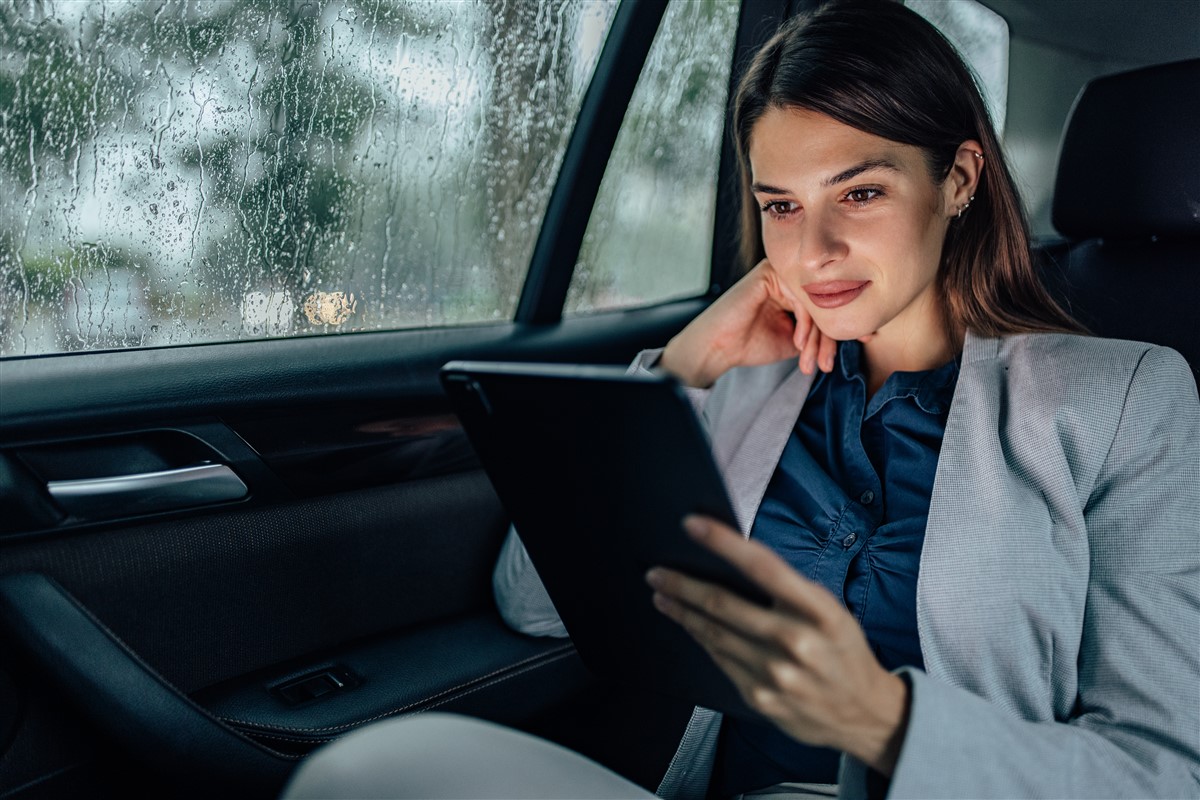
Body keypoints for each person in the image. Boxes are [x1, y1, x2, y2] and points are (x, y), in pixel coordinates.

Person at [284, 2, 1199, 798]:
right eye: (782, 206)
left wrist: (884, 720)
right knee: (371, 770)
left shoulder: (1122, 402)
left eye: (863, 191)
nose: (816, 250)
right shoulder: (745, 388)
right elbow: (536, 604)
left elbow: (1162, 776)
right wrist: (680, 372)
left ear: (957, 180)